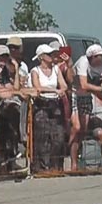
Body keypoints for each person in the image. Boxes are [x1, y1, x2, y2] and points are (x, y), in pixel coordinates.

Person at [30, 44, 69, 172]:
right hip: (41, 104)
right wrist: (54, 90)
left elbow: (64, 85)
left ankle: (55, 164)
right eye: (48, 54)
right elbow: (38, 87)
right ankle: (42, 166)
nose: (52, 56)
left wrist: (61, 90)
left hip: (55, 104)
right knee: (42, 136)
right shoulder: (35, 71)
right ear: (41, 57)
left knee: (59, 136)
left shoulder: (56, 69)